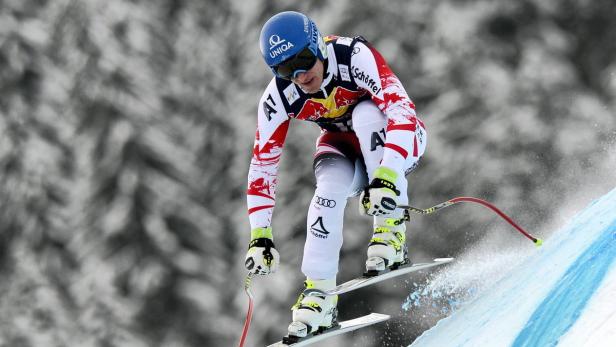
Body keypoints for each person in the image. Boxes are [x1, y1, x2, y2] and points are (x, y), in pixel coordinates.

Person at [244, 11, 427, 338]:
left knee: (367, 112)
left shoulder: (353, 56)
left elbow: (401, 110)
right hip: (348, 150)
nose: (299, 75)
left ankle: (390, 231)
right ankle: (319, 295)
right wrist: (260, 234)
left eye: (302, 59)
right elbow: (263, 164)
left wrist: (386, 174)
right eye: (285, 69)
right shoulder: (279, 97)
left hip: (399, 141)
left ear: (317, 43)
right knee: (326, 190)